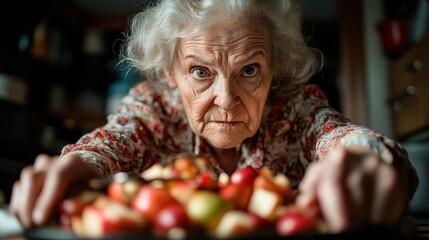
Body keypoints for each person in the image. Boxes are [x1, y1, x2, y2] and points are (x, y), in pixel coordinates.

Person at [10, 0, 418, 234]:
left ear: (274, 68)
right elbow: (113, 141)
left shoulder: (295, 108)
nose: (226, 99)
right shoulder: (153, 108)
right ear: (171, 73)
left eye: (250, 70)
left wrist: (368, 157)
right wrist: (77, 166)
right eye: (201, 71)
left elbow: (342, 137)